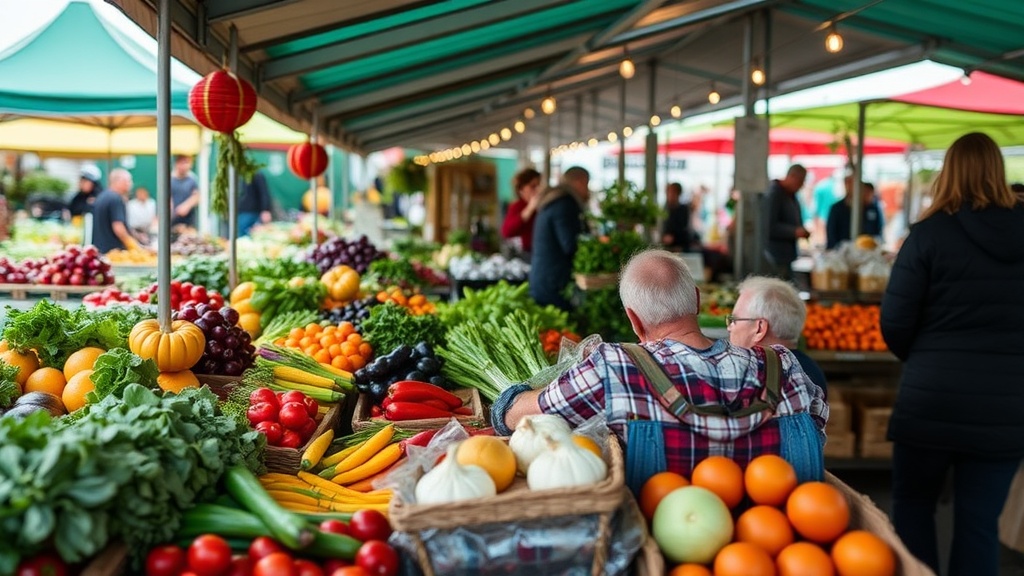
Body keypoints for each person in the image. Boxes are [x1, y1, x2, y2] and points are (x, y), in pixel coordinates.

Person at [496, 249, 828, 491]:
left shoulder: (613, 367)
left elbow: (519, 418)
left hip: (666, 536)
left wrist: (508, 400)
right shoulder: (782, 363)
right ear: (697, 301)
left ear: (634, 319)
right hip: (778, 538)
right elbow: (817, 427)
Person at [880, 132, 1024, 576]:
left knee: (913, 505)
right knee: (979, 523)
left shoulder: (928, 235)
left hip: (932, 398)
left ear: (949, 174)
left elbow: (895, 322)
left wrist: (926, 358)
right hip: (1007, 406)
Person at [728, 276, 827, 399]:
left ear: (759, 329)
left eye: (734, 320)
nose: (729, 328)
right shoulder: (810, 370)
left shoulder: (760, 381)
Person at [528, 166, 590, 311]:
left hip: (545, 278)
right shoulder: (564, 204)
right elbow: (570, 244)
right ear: (579, 182)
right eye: (586, 185)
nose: (587, 191)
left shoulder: (555, 200)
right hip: (554, 282)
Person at [764, 164, 809, 279]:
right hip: (775, 255)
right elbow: (769, 226)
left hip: (786, 255)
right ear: (792, 176)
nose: (801, 186)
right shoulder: (774, 194)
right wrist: (794, 232)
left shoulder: (791, 195)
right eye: (800, 182)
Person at [825, 179, 884, 249]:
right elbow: (831, 232)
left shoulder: (874, 208)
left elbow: (879, 230)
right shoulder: (838, 208)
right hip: (842, 249)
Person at [91, 169, 138, 254]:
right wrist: (134, 246)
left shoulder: (102, 196)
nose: (131, 184)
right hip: (113, 252)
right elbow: (118, 227)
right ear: (118, 181)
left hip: (100, 250)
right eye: (128, 181)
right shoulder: (116, 199)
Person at [500, 168, 542, 257]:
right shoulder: (517, 206)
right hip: (527, 254)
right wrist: (530, 208)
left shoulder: (544, 204)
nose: (538, 190)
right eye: (533, 186)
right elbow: (507, 232)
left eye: (539, 185)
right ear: (521, 189)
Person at [660, 182, 695, 252]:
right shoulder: (664, 209)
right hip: (666, 248)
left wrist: (674, 238)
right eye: (669, 192)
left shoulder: (683, 209)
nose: (670, 195)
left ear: (678, 194)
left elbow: (686, 230)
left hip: (681, 247)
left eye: (673, 192)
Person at [238, 170, 272, 237]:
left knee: (253, 236)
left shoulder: (256, 174)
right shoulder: (237, 175)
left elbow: (264, 192)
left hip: (252, 213)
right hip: (241, 213)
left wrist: (265, 210)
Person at [171, 155, 200, 228]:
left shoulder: (193, 179)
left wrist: (186, 206)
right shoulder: (170, 179)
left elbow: (196, 196)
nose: (184, 166)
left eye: (187, 163)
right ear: (177, 163)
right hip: (172, 220)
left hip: (189, 222)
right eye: (182, 162)